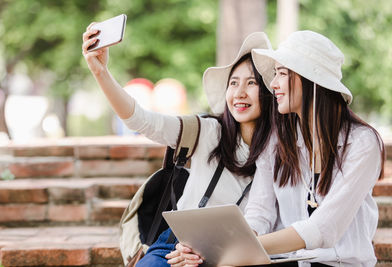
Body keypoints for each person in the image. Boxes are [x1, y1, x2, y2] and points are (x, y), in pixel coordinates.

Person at [82, 28, 275, 267]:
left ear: (270, 92)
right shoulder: (206, 131)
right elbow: (140, 120)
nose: (239, 93)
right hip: (177, 245)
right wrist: (101, 72)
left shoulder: (283, 152)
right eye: (233, 82)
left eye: (251, 83)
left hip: (236, 253)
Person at [241, 30, 384, 266]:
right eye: (275, 74)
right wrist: (231, 244)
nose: (274, 84)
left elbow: (323, 228)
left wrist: (242, 246)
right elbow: (259, 212)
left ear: (310, 80)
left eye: (282, 74)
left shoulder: (362, 143)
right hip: (290, 262)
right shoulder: (277, 141)